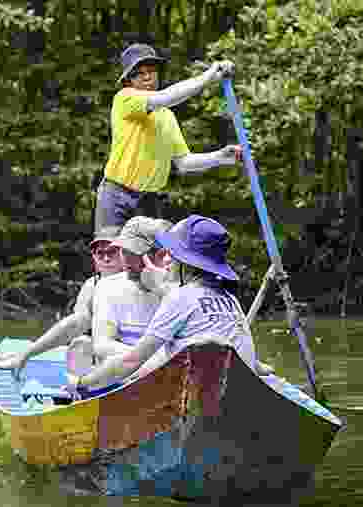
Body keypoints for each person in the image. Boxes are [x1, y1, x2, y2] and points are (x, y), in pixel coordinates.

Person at [67, 214, 263, 398]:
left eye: (173, 254)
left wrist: (82, 384)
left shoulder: (180, 297)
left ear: (188, 263)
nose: (167, 258)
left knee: (122, 371)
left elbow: (131, 361)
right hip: (234, 391)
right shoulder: (231, 299)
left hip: (196, 393)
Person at [94, 43, 243, 231]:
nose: (147, 76)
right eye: (139, 73)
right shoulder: (125, 98)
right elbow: (165, 97)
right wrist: (208, 76)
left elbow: (183, 162)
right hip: (117, 196)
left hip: (149, 200)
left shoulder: (166, 115)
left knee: (152, 259)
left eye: (151, 70)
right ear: (128, 80)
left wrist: (221, 157)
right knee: (110, 257)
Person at [0, 226, 124, 375]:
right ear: (93, 257)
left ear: (125, 252)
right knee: (81, 344)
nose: (106, 258)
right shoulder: (91, 286)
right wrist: (27, 354)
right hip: (102, 358)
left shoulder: (142, 280)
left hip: (131, 354)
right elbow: (76, 325)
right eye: (100, 253)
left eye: (112, 252)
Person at [90, 216, 174, 363]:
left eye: (135, 253)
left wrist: (163, 290)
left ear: (162, 256)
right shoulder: (108, 287)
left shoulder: (182, 292)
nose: (126, 259)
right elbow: (102, 345)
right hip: (128, 375)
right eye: (123, 251)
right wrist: (152, 360)